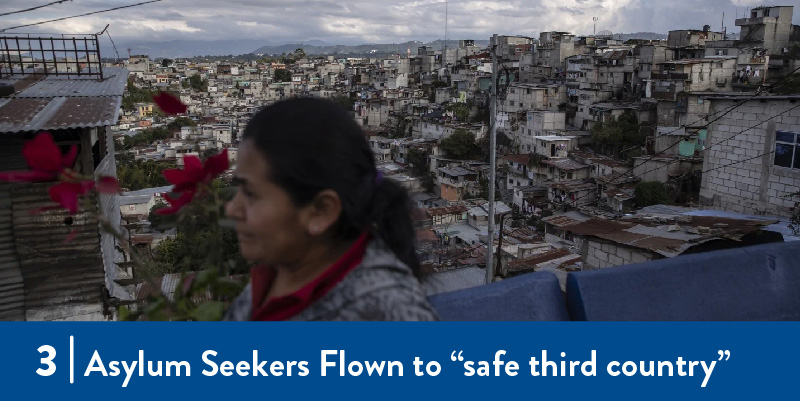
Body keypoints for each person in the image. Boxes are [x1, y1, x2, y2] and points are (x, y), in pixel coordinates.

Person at [223, 97, 438, 321]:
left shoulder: (384, 314)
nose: (233, 210)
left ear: (321, 211)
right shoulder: (278, 276)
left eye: (251, 194)